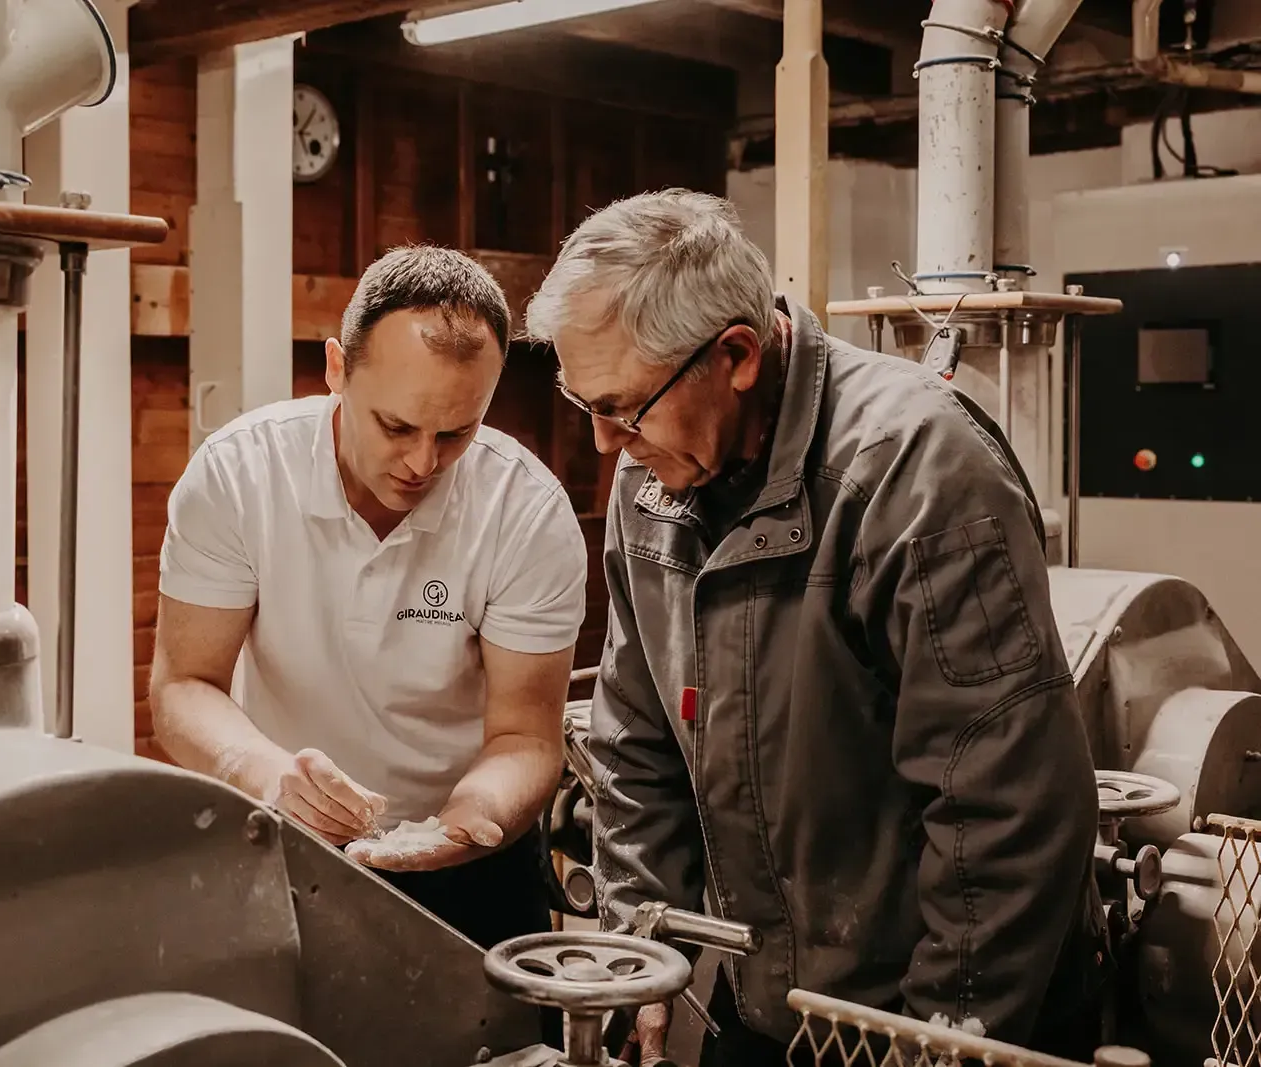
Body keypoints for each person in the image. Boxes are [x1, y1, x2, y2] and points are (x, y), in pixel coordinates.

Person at [521, 189, 1104, 1067]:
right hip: (768, 1000)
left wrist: (935, 1044)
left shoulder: (917, 473)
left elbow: (1005, 807)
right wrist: (640, 946)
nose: (605, 444)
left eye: (625, 409)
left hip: (940, 1008)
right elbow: (635, 745)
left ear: (736, 356)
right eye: (586, 404)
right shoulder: (656, 481)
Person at [150, 244, 587, 957]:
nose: (422, 462)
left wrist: (469, 818)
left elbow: (527, 738)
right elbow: (183, 686)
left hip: (474, 855)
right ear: (336, 369)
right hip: (283, 837)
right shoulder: (239, 477)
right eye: (396, 426)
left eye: (456, 433)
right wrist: (267, 775)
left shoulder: (525, 510)